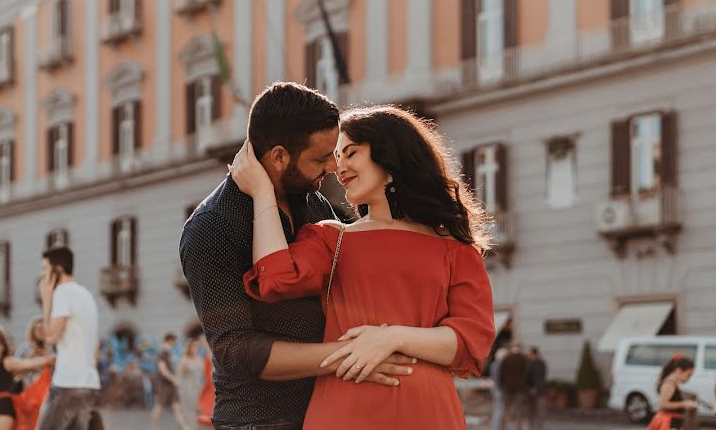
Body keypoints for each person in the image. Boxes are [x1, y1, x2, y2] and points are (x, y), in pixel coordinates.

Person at [233, 104, 496, 429]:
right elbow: (275, 278)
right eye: (337, 156)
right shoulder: (331, 238)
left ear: (390, 155)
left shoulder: (455, 249)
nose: (339, 166)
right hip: (345, 411)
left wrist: (392, 338)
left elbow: (472, 340)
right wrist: (262, 192)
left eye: (351, 152)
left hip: (428, 414)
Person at [180, 84, 416, 430]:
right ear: (279, 157)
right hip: (259, 421)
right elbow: (237, 350)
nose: (332, 168)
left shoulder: (313, 201)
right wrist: (348, 356)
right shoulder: (211, 227)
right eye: (321, 159)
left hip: (328, 411)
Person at [37, 245, 102, 430]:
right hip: (89, 383)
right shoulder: (86, 295)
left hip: (68, 383)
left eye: (45, 269)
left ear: (57, 270)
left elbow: (51, 337)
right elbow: (96, 343)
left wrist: (46, 299)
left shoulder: (63, 293)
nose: (42, 276)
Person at [0, 324, 54, 430]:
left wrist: (48, 360)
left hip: (3, 409)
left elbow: (28, 363)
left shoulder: (7, 362)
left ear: (3, 347)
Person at [151, 333, 191, 430]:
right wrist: (174, 379)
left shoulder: (168, 352)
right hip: (165, 385)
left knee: (177, 407)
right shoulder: (163, 352)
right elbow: (162, 369)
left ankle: (185, 427)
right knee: (159, 407)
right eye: (174, 341)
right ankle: (154, 427)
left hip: (171, 385)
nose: (175, 343)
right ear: (169, 340)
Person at [647, 356, 697, 430]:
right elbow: (663, 404)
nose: (689, 379)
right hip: (668, 422)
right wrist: (684, 404)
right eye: (688, 375)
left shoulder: (673, 383)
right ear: (679, 370)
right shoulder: (669, 384)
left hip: (673, 421)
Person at [498, 343, 531, 430]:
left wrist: (502, 385)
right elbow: (527, 374)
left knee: (506, 409)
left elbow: (501, 374)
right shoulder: (524, 359)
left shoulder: (506, 359)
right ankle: (519, 428)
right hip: (520, 387)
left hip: (507, 387)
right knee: (519, 409)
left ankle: (503, 427)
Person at [525, 347, 547, 430]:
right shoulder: (529, 363)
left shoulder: (541, 364)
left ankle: (539, 427)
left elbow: (541, 378)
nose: (529, 355)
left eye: (530, 354)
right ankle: (531, 427)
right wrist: (530, 388)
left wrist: (535, 388)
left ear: (535, 354)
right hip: (530, 392)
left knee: (540, 412)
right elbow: (526, 378)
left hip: (540, 391)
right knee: (531, 412)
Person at [489, 347, 508, 430]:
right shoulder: (500, 366)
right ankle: (497, 427)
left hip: (496, 389)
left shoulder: (493, 365)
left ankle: (497, 427)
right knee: (499, 410)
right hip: (499, 389)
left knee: (498, 409)